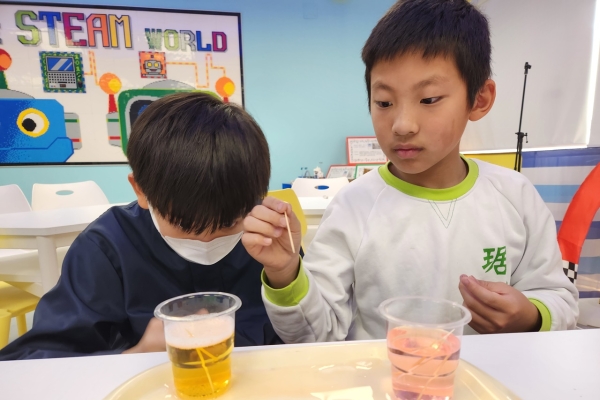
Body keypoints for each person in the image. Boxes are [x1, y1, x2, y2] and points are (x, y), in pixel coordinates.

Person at [242, 0, 578, 343]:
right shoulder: (353, 206)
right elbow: (316, 334)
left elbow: (560, 297)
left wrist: (531, 316)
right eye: (384, 103)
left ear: (479, 99)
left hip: (489, 375)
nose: (402, 125)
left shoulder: (515, 195)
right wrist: (285, 272)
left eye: (429, 99)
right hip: (384, 374)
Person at [0, 92, 280, 359]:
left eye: (228, 223)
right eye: (185, 225)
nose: (206, 240)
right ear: (141, 190)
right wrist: (137, 355)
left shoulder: (267, 235)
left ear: (256, 196)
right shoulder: (106, 247)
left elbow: (297, 340)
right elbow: (37, 360)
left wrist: (287, 275)